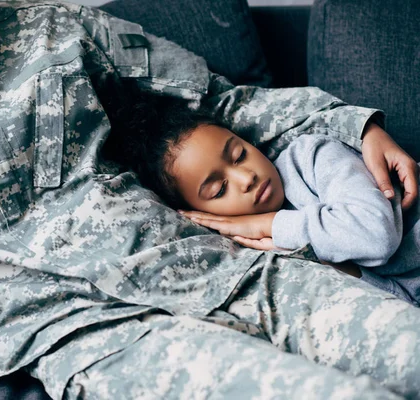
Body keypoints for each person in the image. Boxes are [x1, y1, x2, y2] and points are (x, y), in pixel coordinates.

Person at [0, 0, 420, 398]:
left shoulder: (58, 29)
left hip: (227, 270)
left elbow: (218, 104)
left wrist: (355, 126)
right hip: (96, 332)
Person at [118, 99, 420, 306]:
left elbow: (376, 236)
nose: (246, 177)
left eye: (239, 155)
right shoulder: (257, 252)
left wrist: (266, 223)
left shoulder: (311, 157)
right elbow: (401, 302)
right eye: (219, 189)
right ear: (200, 213)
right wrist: (323, 263)